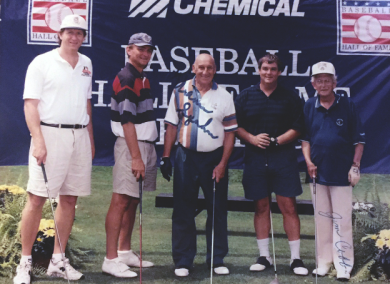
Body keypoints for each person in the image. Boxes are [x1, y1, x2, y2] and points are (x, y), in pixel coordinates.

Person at [14, 14, 94, 284]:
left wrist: (90, 140)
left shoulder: (87, 63)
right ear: (59, 34)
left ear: (84, 37)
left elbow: (86, 105)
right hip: (49, 134)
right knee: (37, 198)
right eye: (69, 32)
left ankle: (57, 261)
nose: (74, 37)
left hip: (79, 136)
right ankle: (24, 264)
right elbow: (30, 105)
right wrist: (38, 140)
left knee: (70, 199)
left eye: (79, 33)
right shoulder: (42, 62)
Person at [160, 54, 237, 277]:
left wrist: (223, 163)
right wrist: (166, 157)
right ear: (194, 67)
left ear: (215, 69)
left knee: (217, 209)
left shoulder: (224, 95)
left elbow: (231, 133)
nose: (205, 71)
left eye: (209, 68)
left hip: (214, 159)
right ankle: (183, 260)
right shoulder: (179, 90)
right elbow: (172, 126)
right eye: (201, 67)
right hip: (186, 157)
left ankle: (216, 258)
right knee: (183, 209)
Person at [234, 54, 308, 276]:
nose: (269, 72)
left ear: (279, 71)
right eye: (265, 68)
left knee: (289, 207)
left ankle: (296, 259)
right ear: (259, 70)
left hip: (283, 158)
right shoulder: (246, 96)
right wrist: (252, 138)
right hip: (255, 159)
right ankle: (264, 256)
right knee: (261, 207)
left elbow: (299, 126)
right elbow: (235, 125)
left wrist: (277, 140)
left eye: (273, 69)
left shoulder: (291, 97)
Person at [301, 61, 365, 281]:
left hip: (342, 173)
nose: (323, 84)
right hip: (317, 173)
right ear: (313, 83)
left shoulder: (347, 105)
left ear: (335, 82)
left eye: (327, 79)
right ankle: (323, 263)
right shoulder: (309, 105)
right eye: (319, 80)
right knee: (322, 220)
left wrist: (355, 166)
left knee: (342, 220)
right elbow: (306, 140)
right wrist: (308, 162)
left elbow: (359, 141)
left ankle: (344, 265)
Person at [102, 33, 157, 278]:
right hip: (130, 145)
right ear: (129, 50)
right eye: (140, 49)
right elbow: (126, 121)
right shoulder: (127, 77)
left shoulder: (142, 77)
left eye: (148, 50)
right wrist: (136, 157)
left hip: (144, 144)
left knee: (133, 200)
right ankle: (110, 259)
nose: (145, 54)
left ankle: (124, 252)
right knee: (121, 200)